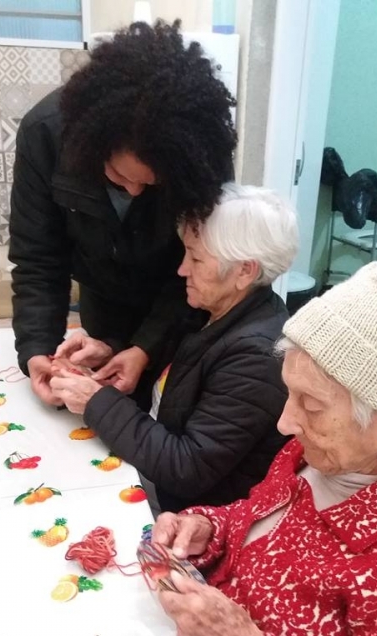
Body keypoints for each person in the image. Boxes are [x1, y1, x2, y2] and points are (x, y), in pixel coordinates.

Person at [150, 261, 377, 636]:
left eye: (310, 404)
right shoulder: (320, 452)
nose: (284, 423)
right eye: (289, 392)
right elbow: (261, 515)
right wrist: (210, 527)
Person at [9, 20, 236, 408]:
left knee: (165, 417)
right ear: (93, 143)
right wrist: (37, 352)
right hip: (103, 302)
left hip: (181, 305)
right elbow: (38, 261)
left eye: (150, 185)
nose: (132, 190)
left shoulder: (198, 154)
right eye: (117, 176)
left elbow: (198, 267)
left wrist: (145, 348)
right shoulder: (45, 134)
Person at [50, 183, 298, 511]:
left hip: (187, 509)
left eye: (195, 258)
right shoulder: (212, 308)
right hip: (150, 460)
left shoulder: (256, 357)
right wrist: (109, 352)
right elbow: (175, 374)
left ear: (244, 271)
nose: (182, 270)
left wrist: (96, 402)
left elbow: (185, 468)